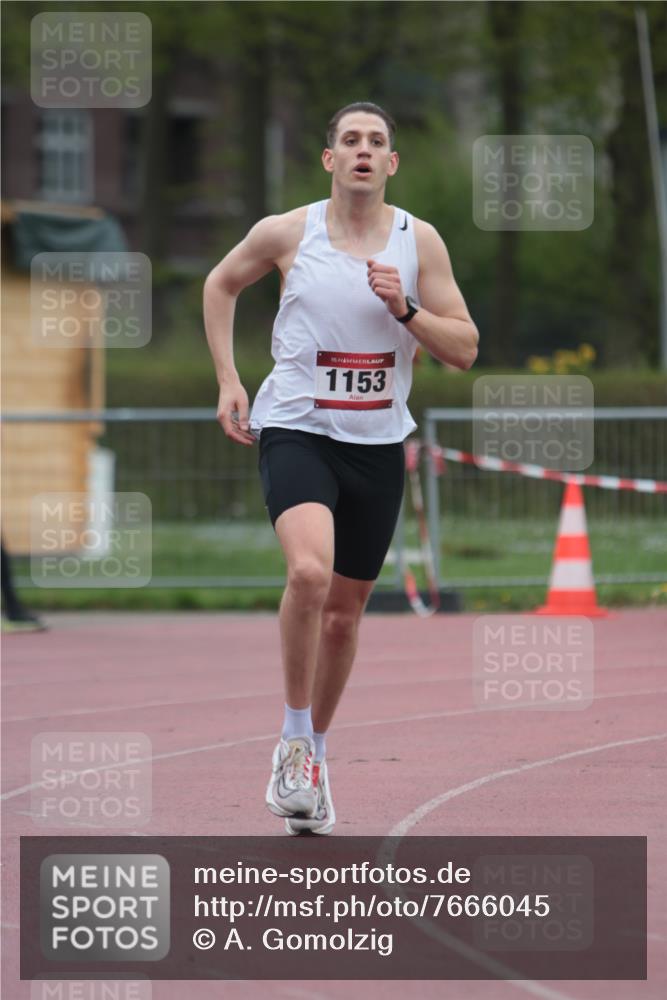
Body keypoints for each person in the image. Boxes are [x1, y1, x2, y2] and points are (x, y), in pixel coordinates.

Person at [203, 101, 478, 835]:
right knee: (308, 574)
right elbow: (220, 284)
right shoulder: (288, 233)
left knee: (342, 616)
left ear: (391, 163)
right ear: (329, 159)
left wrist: (406, 309)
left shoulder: (419, 241)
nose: (363, 150)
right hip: (297, 428)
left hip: (376, 444)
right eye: (350, 140)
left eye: (376, 141)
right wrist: (229, 380)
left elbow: (464, 348)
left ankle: (315, 758)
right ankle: (293, 741)